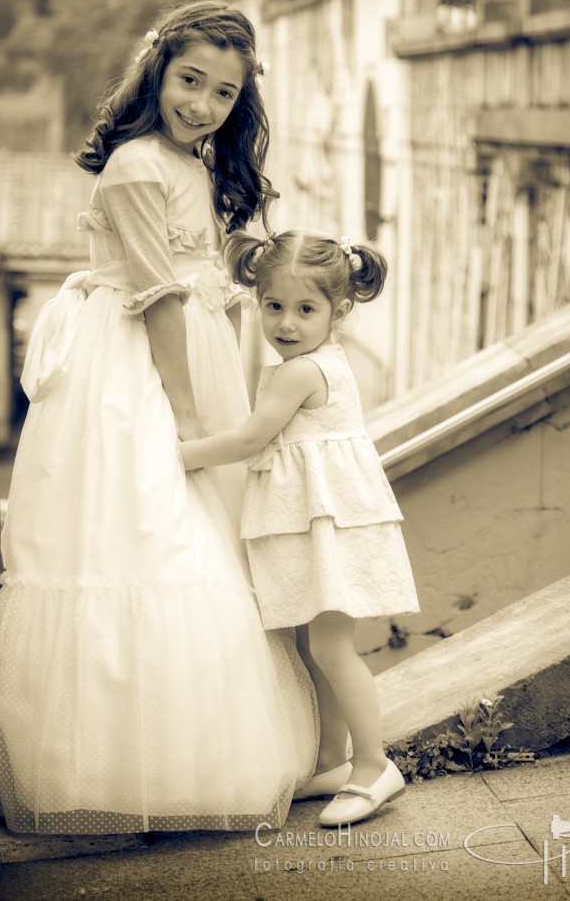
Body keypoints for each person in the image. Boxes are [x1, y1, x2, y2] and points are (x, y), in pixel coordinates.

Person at [0, 1, 318, 834]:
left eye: (223, 93)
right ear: (157, 71)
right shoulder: (135, 165)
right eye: (188, 80)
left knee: (193, 540)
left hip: (182, 353)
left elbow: (195, 276)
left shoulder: (192, 163)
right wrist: (193, 414)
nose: (201, 103)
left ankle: (183, 762)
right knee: (151, 533)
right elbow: (160, 297)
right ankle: (108, 768)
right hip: (135, 372)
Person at [179, 229, 420, 827]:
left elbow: (248, 439)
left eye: (305, 310)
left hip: (332, 526)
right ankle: (330, 761)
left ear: (338, 312)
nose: (286, 323)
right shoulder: (313, 361)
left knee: (333, 649)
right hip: (323, 521)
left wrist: (173, 457)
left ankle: (372, 765)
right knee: (317, 648)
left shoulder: (300, 372)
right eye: (274, 306)